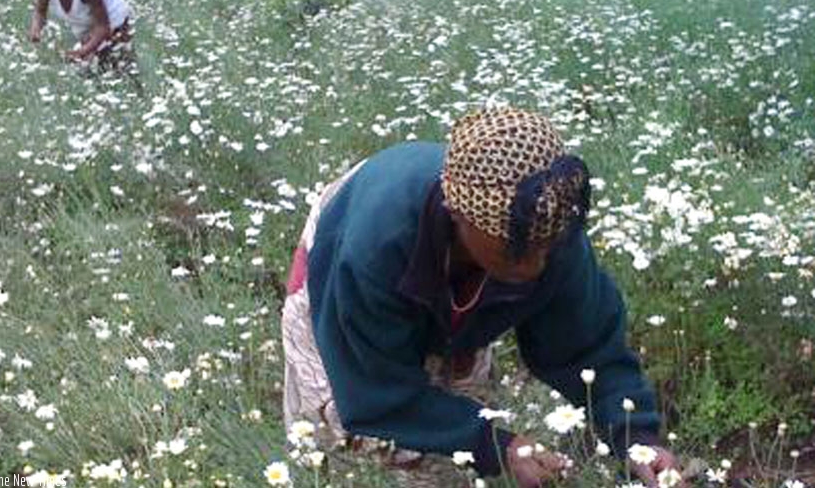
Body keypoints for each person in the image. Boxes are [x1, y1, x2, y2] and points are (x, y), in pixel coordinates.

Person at [282, 108, 683, 487]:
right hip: (342, 256)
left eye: (546, 247)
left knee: (453, 455)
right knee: (341, 445)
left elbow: (588, 346)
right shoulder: (371, 253)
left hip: (447, 272)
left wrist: (635, 436)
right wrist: (499, 445)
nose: (534, 267)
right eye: (516, 250)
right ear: (456, 214)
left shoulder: (548, 226)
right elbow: (372, 392)